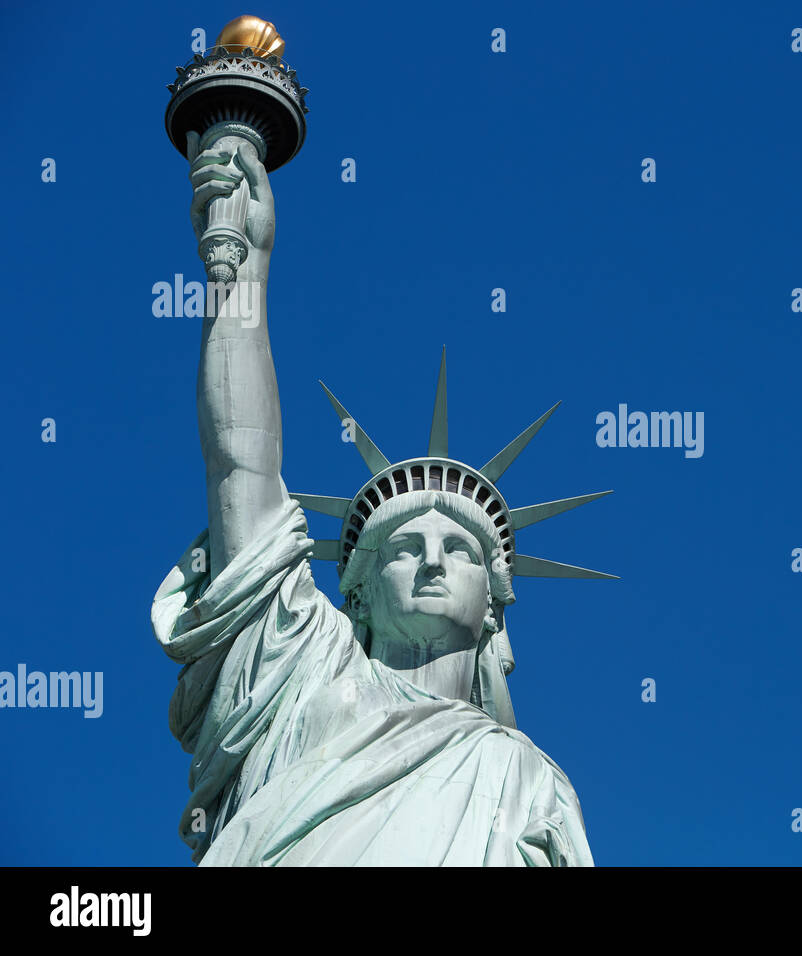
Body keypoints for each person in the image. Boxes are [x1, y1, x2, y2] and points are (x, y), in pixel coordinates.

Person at [151, 133, 595, 866]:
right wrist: (244, 272)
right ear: (354, 592)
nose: (430, 561)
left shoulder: (529, 783)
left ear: (493, 600)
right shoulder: (300, 672)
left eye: (457, 549)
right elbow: (239, 463)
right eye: (402, 548)